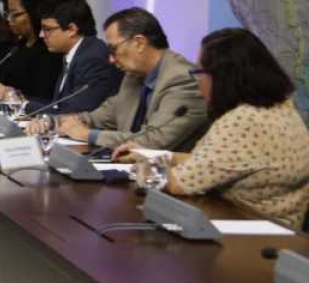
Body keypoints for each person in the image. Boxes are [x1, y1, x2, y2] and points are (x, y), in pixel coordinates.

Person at [115, 28, 309, 229]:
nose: (197, 80)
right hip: (276, 232)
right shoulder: (280, 107)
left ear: (223, 76)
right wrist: (148, 154)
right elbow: (211, 163)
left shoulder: (244, 120)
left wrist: (137, 170)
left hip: (247, 234)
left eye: (199, 72)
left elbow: (178, 183)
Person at [51, 8, 208, 151]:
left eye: (114, 49)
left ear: (139, 43)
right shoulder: (134, 76)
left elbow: (153, 140)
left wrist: (87, 135)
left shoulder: (183, 80)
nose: (111, 60)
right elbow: (98, 118)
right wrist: (52, 123)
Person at [23, 0, 120, 117]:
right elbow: (58, 106)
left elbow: (74, 113)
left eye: (47, 29)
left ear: (71, 30)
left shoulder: (93, 58)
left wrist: (23, 104)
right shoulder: (78, 53)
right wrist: (22, 100)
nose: (41, 35)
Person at [0, 0, 63, 103]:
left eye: (16, 14)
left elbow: (45, 98)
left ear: (37, 12)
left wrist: (13, 96)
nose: (9, 20)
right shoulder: (18, 46)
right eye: (7, 14)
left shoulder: (52, 51)